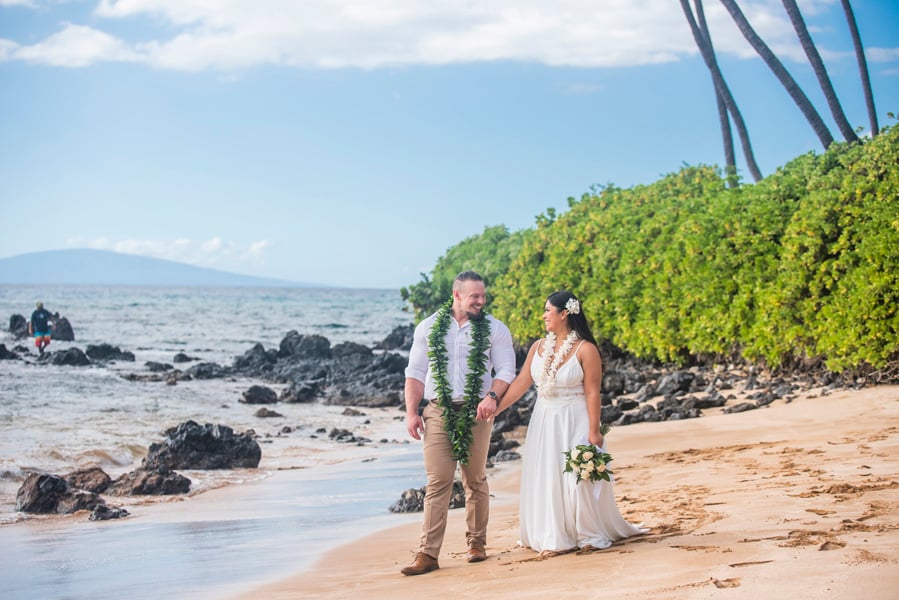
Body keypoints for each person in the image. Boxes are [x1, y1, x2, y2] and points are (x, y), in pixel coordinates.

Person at [486, 290, 646, 555]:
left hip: (574, 418)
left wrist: (594, 432)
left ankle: (586, 533)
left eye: (548, 310)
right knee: (548, 474)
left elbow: (593, 392)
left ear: (564, 314)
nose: (543, 315)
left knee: (577, 478)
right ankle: (554, 534)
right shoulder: (538, 347)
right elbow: (522, 382)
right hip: (545, 419)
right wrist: (497, 409)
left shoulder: (586, 349)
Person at [401, 271, 516, 576]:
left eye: (483, 296)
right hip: (438, 410)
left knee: (474, 479)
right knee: (437, 480)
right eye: (474, 296)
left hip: (478, 410)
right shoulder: (428, 327)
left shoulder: (495, 329)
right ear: (456, 295)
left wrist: (492, 396)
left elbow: (506, 369)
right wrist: (411, 412)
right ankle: (427, 553)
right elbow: (414, 371)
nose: (481, 301)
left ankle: (476, 543)